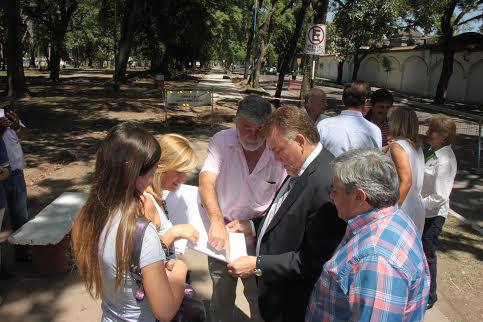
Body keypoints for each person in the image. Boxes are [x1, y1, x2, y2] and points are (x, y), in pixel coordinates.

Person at [227, 106, 346, 322]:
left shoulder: (325, 183)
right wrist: (253, 225)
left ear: (300, 141)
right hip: (278, 297)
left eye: (278, 149)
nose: (274, 157)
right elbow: (285, 214)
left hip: (293, 305)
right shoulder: (301, 168)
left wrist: (258, 265)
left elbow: (315, 260)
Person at [72, 122, 187, 322]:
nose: (153, 180)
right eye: (151, 173)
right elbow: (165, 311)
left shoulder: (90, 214)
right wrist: (180, 270)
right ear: (135, 174)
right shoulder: (142, 232)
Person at [306, 149, 430, 322]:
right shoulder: (391, 216)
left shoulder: (376, 261)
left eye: (335, 191)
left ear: (358, 196)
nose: (331, 197)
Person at [199, 94, 285, 322]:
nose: (254, 135)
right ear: (236, 121)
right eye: (246, 127)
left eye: (260, 129)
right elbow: (206, 181)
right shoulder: (221, 141)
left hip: (261, 236)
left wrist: (253, 225)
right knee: (221, 298)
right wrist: (216, 222)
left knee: (260, 299)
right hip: (224, 233)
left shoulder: (276, 148)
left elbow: (284, 195)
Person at [421, 115, 458, 309]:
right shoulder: (432, 151)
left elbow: (440, 196)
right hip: (423, 213)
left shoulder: (444, 161)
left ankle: (430, 295)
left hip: (433, 216)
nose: (427, 133)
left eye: (432, 131)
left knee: (428, 254)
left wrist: (417, 204)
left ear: (444, 136)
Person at [144, 133, 200, 257]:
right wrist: (174, 233)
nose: (184, 178)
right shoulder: (145, 202)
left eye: (186, 172)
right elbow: (145, 259)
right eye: (179, 172)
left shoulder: (159, 197)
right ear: (161, 166)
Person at [317, 81, 382, 157]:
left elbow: (315, 155)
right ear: (366, 102)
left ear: (343, 100)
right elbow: (376, 161)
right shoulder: (374, 130)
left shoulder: (324, 125)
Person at [387, 106, 425, 235]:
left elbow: (406, 180)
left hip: (403, 206)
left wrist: (391, 210)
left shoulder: (397, 146)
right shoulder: (416, 146)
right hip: (416, 205)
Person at [0, 106, 29, 261]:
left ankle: (22, 253)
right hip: (1, 178)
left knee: (21, 216)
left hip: (16, 174)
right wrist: (1, 130)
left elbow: (26, 135)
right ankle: (2, 264)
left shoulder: (6, 115)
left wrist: (17, 127)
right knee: (2, 223)